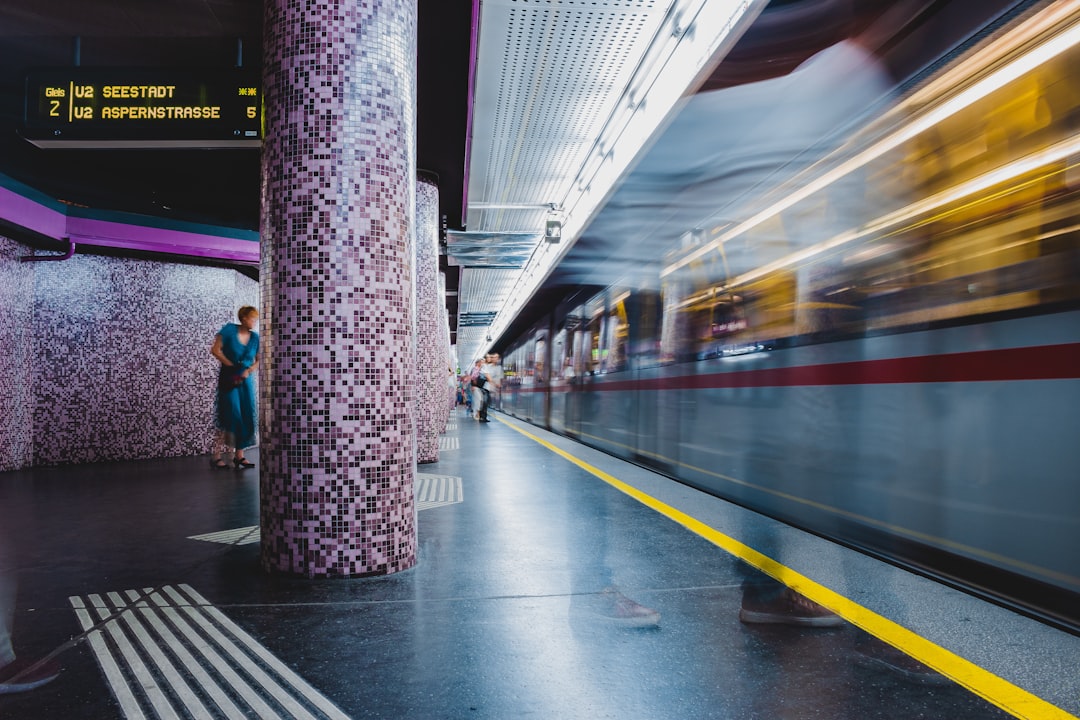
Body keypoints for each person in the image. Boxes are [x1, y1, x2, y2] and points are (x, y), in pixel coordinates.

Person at [210, 305, 260, 469]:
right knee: (230, 414)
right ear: (244, 318)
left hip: (245, 381)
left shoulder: (255, 337)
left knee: (246, 414)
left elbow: (259, 360)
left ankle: (239, 455)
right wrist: (230, 365)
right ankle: (216, 454)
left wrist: (249, 370)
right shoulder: (229, 330)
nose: (255, 321)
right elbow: (215, 350)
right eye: (252, 318)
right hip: (229, 377)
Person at [477, 353, 503, 423]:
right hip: (485, 387)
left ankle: (483, 417)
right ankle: (482, 417)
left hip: (486, 387)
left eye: (490, 357)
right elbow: (488, 377)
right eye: (488, 357)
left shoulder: (487, 366)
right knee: (485, 402)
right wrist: (495, 383)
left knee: (486, 402)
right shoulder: (485, 366)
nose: (490, 359)